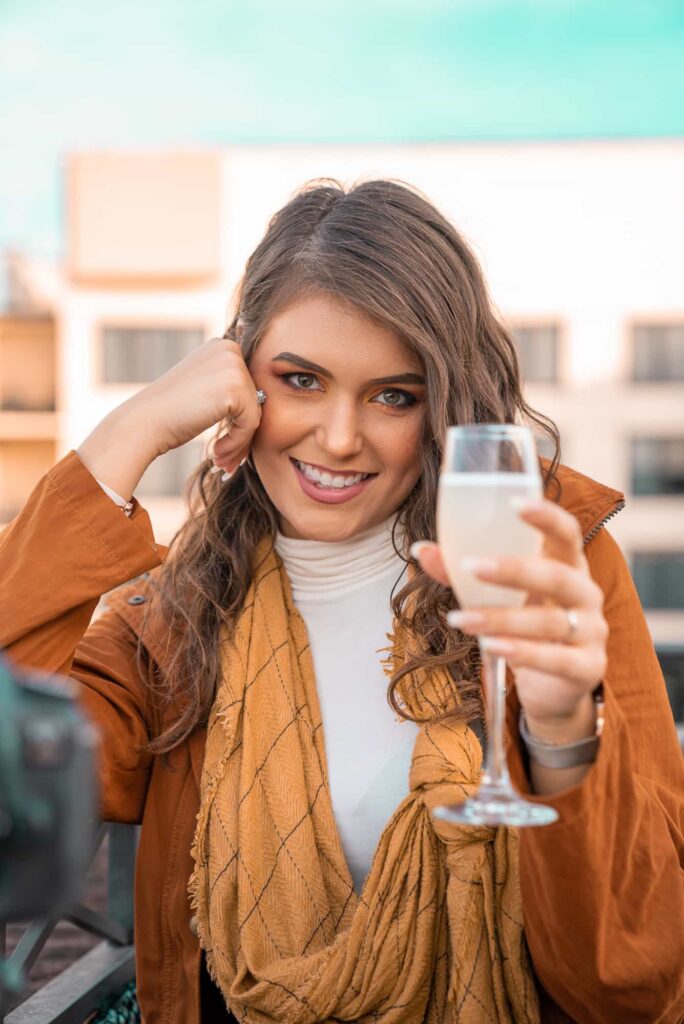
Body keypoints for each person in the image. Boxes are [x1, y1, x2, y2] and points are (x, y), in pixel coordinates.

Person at [1, 179, 682, 1024]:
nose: (339, 437)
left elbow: (635, 979)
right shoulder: (169, 624)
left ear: (443, 404)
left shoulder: (547, 559)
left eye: (393, 395)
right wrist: (123, 439)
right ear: (240, 379)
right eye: (300, 380)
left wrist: (562, 738)